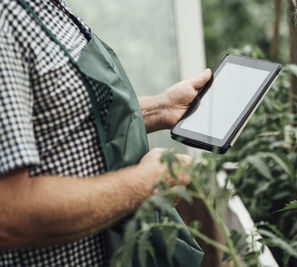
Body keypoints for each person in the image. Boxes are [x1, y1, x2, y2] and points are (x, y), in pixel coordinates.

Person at [0, 0, 212, 265]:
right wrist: (146, 184)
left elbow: (64, 123)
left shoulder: (51, 7)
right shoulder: (6, 22)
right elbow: (9, 213)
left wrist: (160, 108)